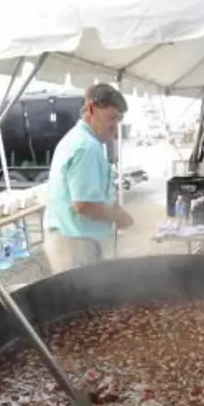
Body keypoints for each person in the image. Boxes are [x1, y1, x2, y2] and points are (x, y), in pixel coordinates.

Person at [42, 82, 133, 274]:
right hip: (76, 246)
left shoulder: (78, 139)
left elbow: (90, 196)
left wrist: (112, 206)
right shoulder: (86, 147)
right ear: (91, 109)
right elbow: (83, 205)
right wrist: (117, 216)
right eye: (111, 118)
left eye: (118, 120)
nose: (115, 128)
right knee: (82, 302)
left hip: (70, 241)